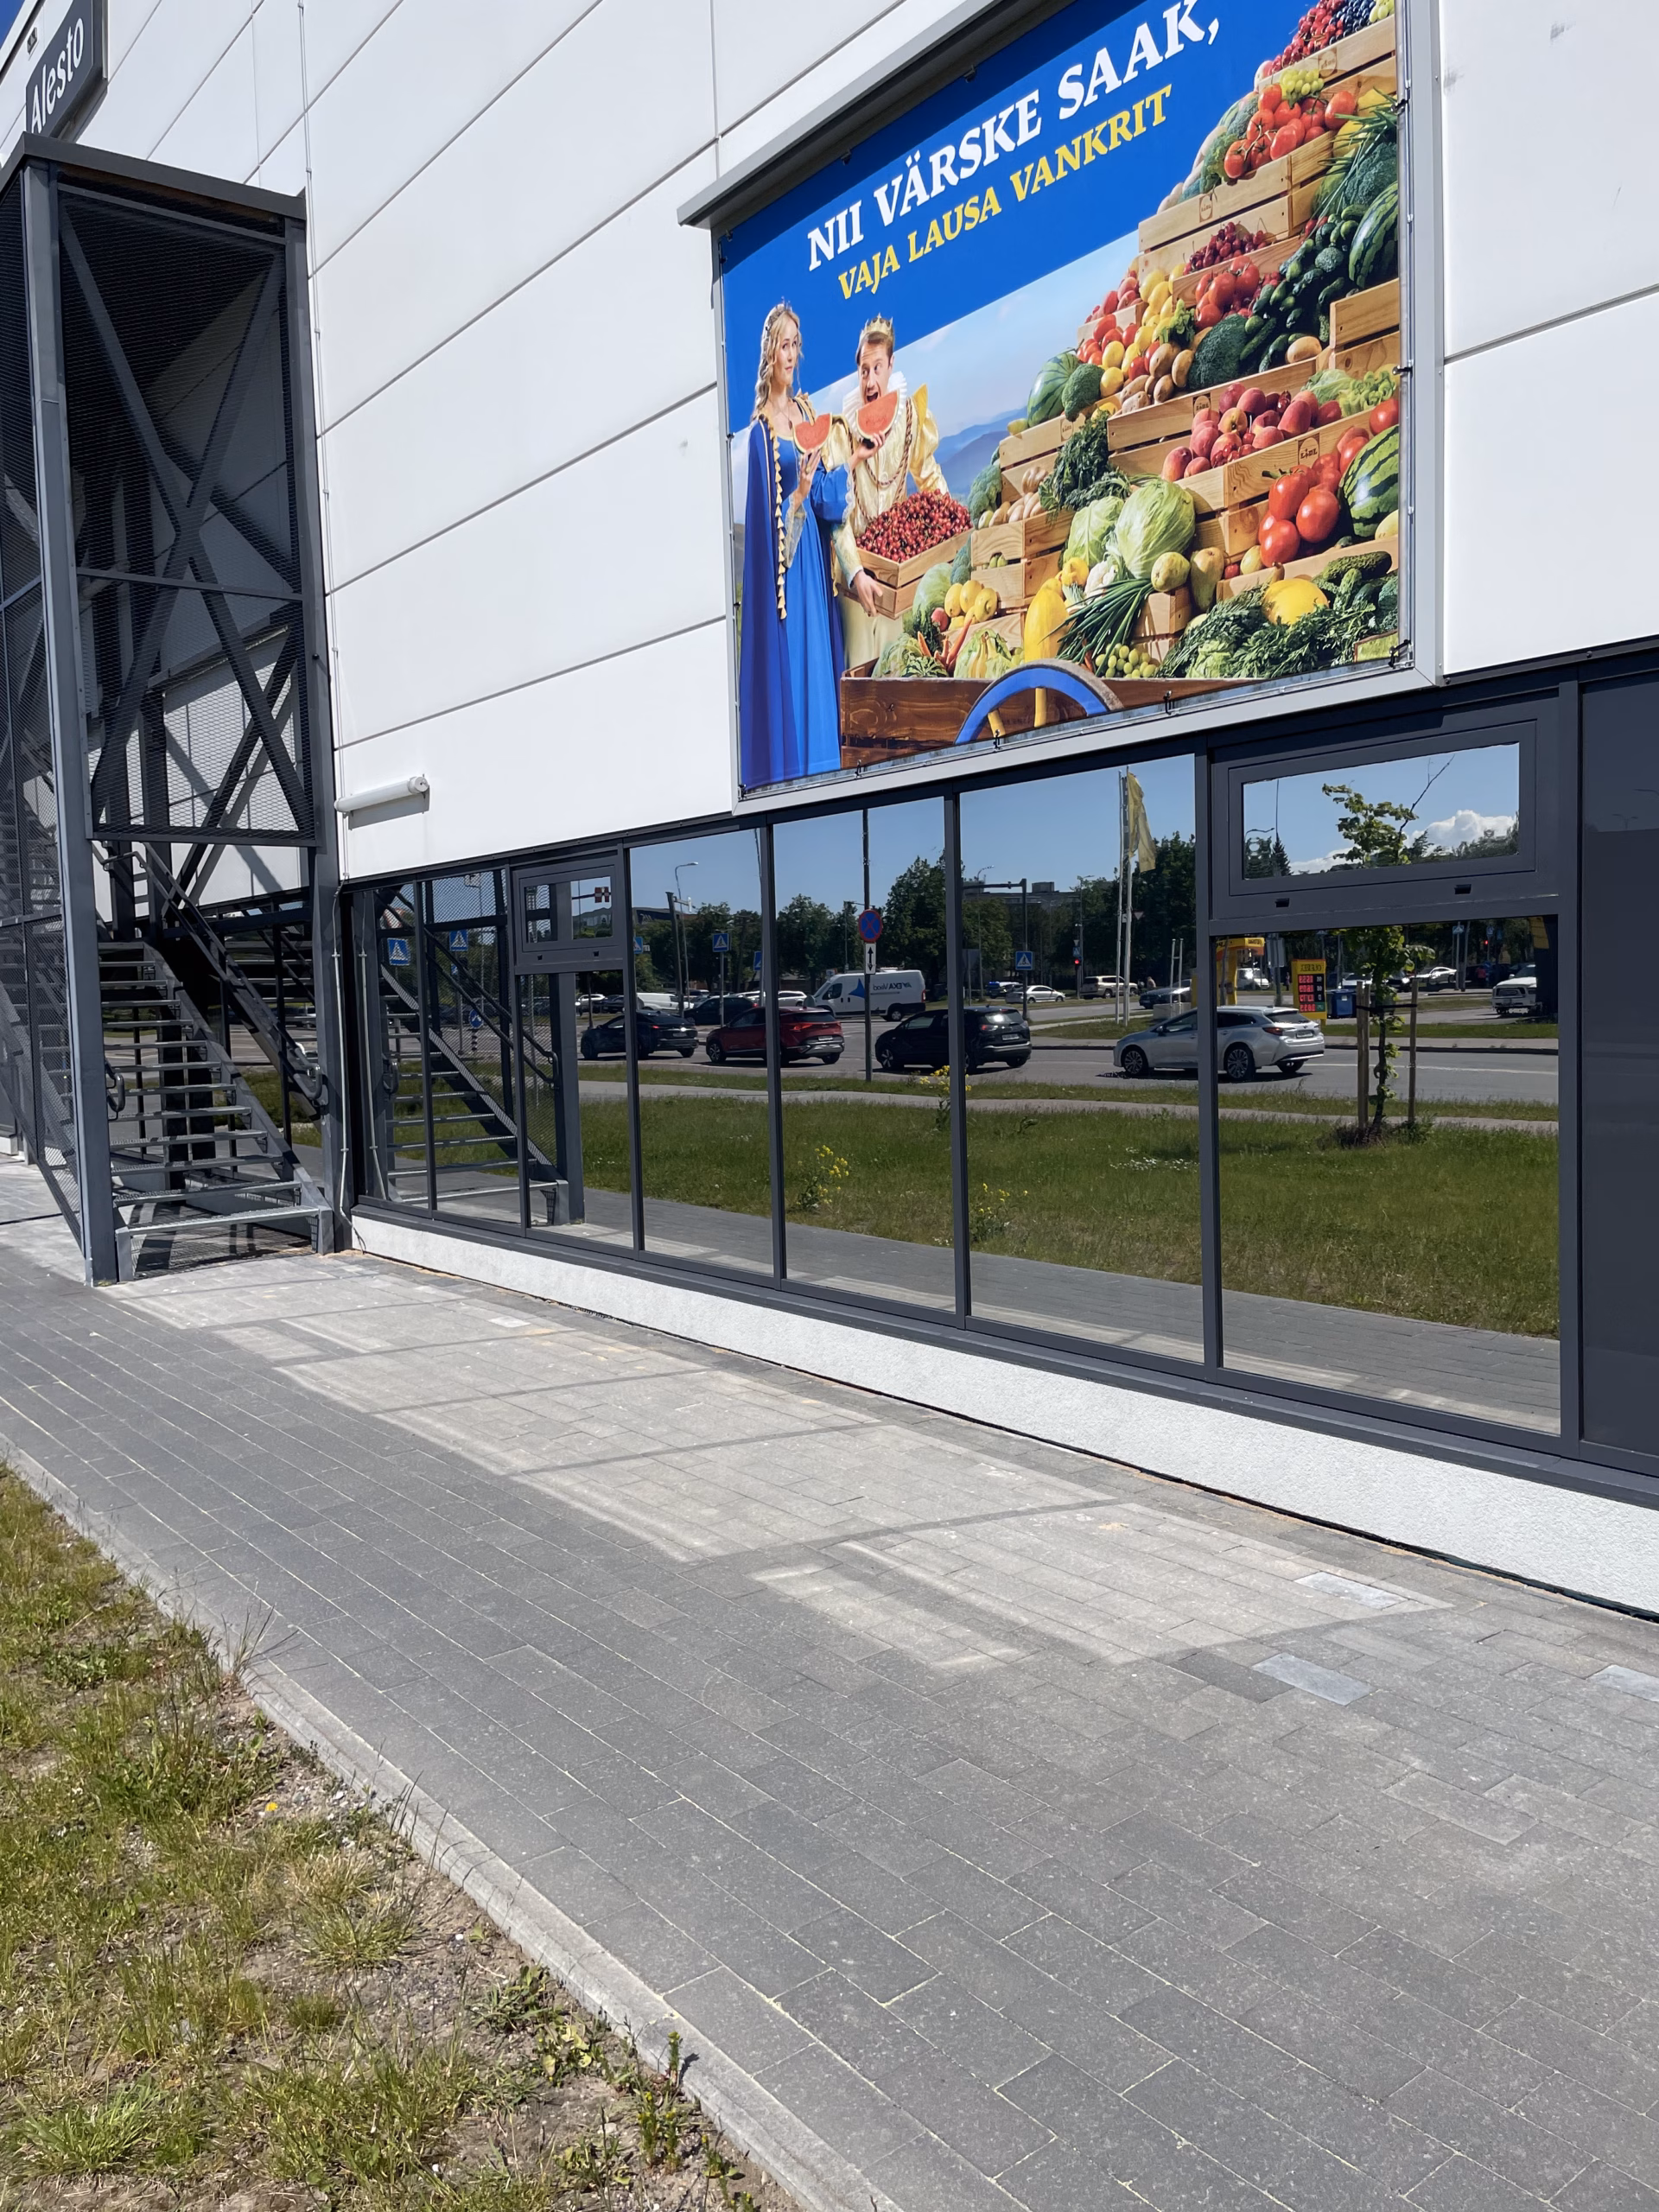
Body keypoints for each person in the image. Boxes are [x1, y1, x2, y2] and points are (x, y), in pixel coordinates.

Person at [737, 305, 849, 787]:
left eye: (796, 344)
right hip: (788, 575)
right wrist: (799, 494)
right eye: (784, 344)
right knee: (797, 675)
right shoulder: (759, 434)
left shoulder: (806, 412)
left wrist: (849, 465)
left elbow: (823, 489)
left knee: (820, 670)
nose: (791, 354)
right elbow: (767, 534)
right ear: (770, 352)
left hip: (814, 569)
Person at [832, 317, 950, 673]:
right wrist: (855, 573)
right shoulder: (842, 433)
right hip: (854, 583)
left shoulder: (910, 417)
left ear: (891, 364)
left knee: (897, 667)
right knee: (856, 674)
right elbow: (837, 517)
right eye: (864, 370)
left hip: (897, 575)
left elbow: (928, 476)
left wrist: (952, 535)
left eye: (877, 368)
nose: (870, 381)